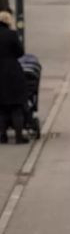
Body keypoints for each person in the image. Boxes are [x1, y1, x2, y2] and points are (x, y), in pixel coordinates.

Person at [0, 11, 27, 144]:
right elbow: (20, 52)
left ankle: (2, 135)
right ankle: (18, 136)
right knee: (16, 107)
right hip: (12, 72)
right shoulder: (11, 34)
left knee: (2, 108)